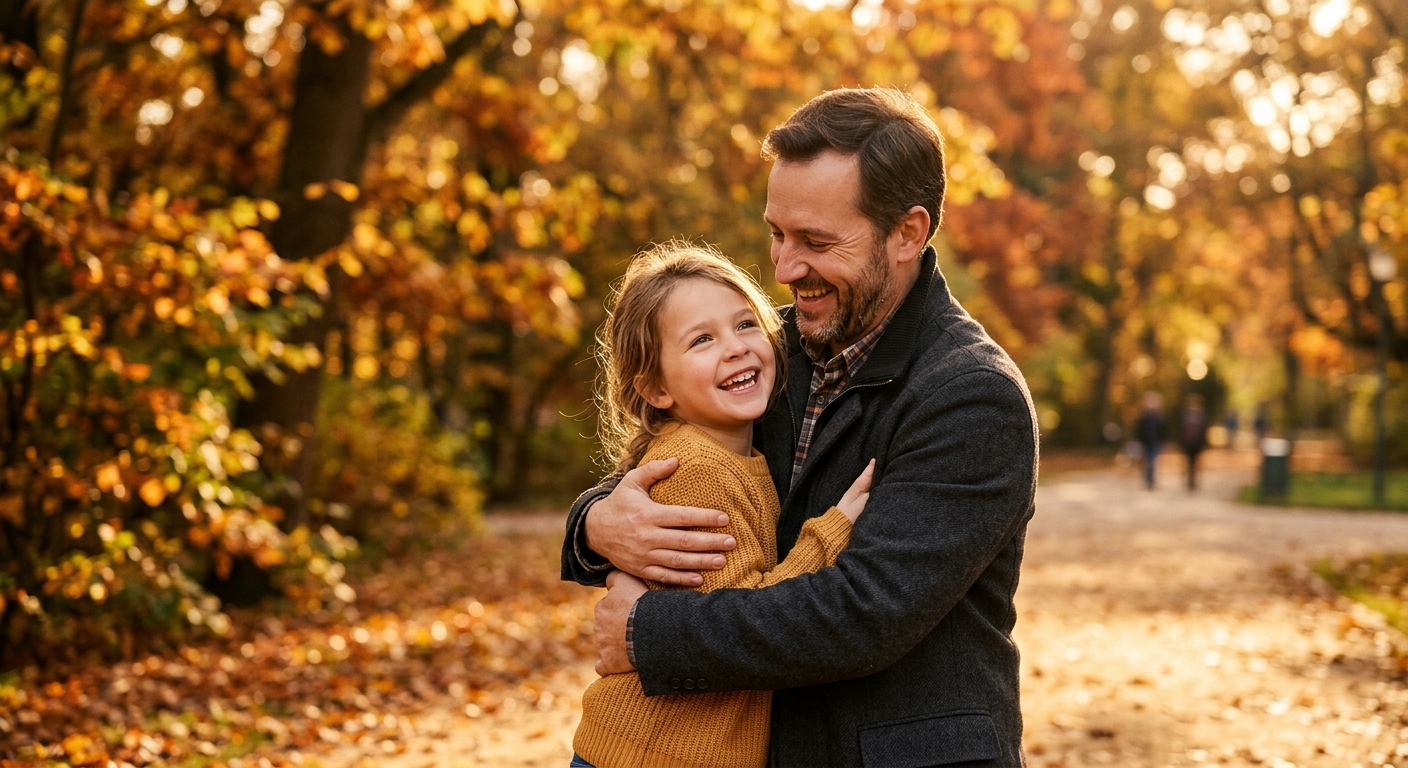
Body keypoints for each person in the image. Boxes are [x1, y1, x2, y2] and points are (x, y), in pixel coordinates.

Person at [562, 88, 1038, 767]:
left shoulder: (970, 395)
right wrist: (595, 524)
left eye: (815, 242)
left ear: (908, 233)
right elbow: (666, 466)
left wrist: (649, 633)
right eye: (777, 235)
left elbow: (863, 613)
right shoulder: (765, 353)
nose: (784, 270)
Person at [569, 242, 874, 768]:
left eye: (745, 324)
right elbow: (742, 623)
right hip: (654, 755)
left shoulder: (734, 453)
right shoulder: (697, 470)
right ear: (655, 387)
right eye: (702, 340)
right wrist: (834, 531)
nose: (734, 348)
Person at [1135, 392, 1166, 490]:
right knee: (1147, 461)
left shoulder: (1159, 418)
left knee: (1152, 461)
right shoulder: (1143, 418)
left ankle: (1151, 479)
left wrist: (1163, 442)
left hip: (1155, 442)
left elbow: (1162, 431)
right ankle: (1148, 478)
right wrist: (1139, 442)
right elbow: (1139, 431)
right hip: (1145, 442)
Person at [1180, 393, 1209, 490]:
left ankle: (1193, 481)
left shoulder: (1201, 416)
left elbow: (1203, 431)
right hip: (1188, 444)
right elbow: (1182, 430)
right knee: (1189, 463)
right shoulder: (1186, 416)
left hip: (1197, 444)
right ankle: (1190, 481)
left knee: (1195, 463)